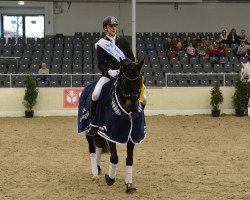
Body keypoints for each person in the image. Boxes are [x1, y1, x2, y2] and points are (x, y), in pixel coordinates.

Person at [86, 16, 135, 135]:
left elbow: (132, 59)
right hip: (108, 76)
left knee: (141, 95)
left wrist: (124, 70)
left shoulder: (123, 42)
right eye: (111, 26)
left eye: (115, 26)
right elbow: (100, 64)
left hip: (123, 76)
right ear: (105, 28)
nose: (114, 28)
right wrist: (110, 71)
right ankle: (92, 124)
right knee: (95, 94)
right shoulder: (101, 44)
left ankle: (137, 119)